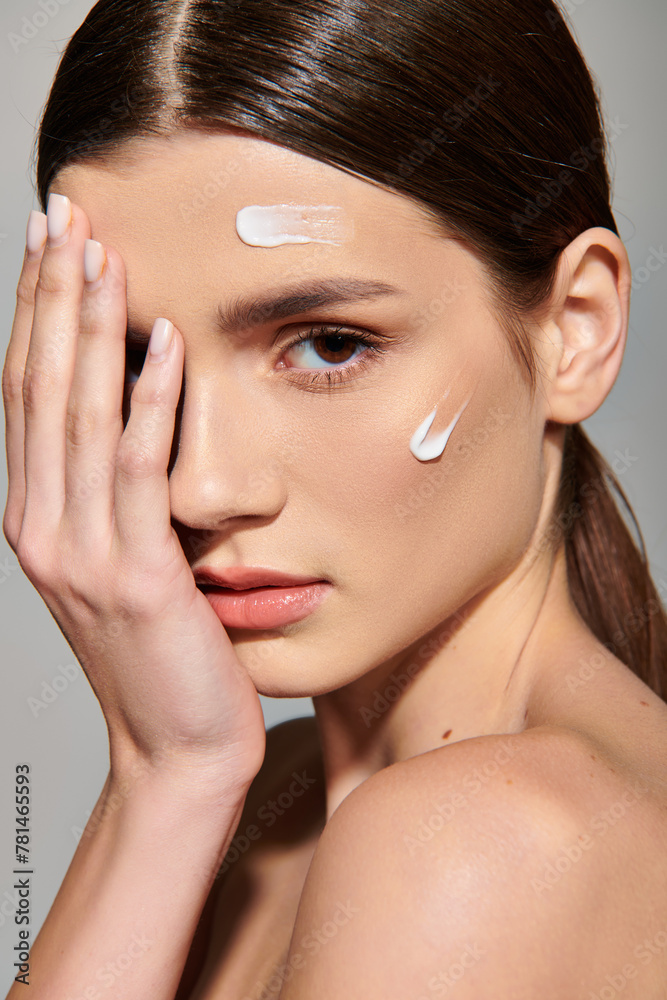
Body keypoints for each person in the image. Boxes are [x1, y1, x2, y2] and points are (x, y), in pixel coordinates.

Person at [3, 0, 667, 996]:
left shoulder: (473, 848)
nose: (200, 486)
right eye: (141, 360)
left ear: (573, 329)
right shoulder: (281, 793)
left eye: (327, 343)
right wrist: (168, 772)